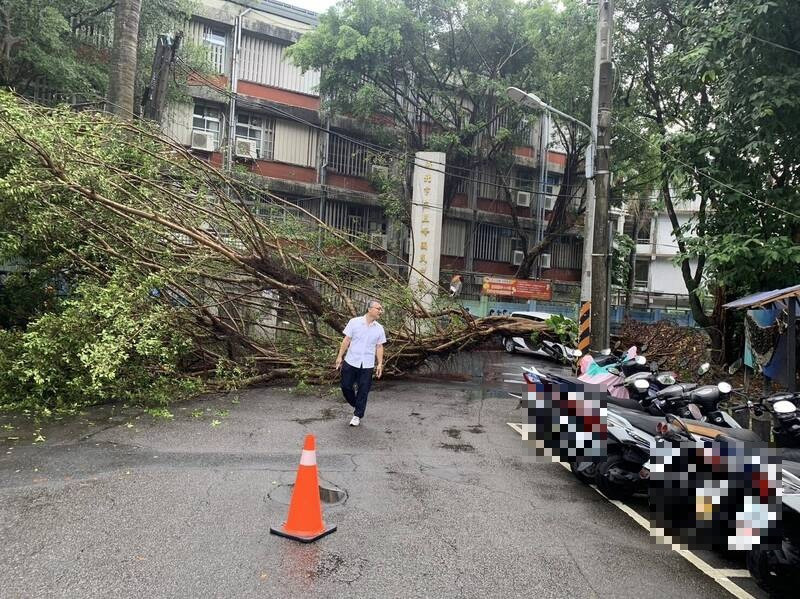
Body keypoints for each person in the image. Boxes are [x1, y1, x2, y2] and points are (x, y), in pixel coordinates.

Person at [335, 299, 386, 426]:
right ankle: (357, 404)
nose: (381, 311)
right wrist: (339, 356)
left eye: (381, 309)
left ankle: (357, 415)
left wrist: (379, 363)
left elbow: (379, 347)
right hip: (351, 361)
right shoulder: (354, 322)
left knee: (364, 390)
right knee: (346, 386)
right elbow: (347, 340)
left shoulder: (379, 328)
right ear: (370, 309)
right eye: (378, 308)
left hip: (367, 364)